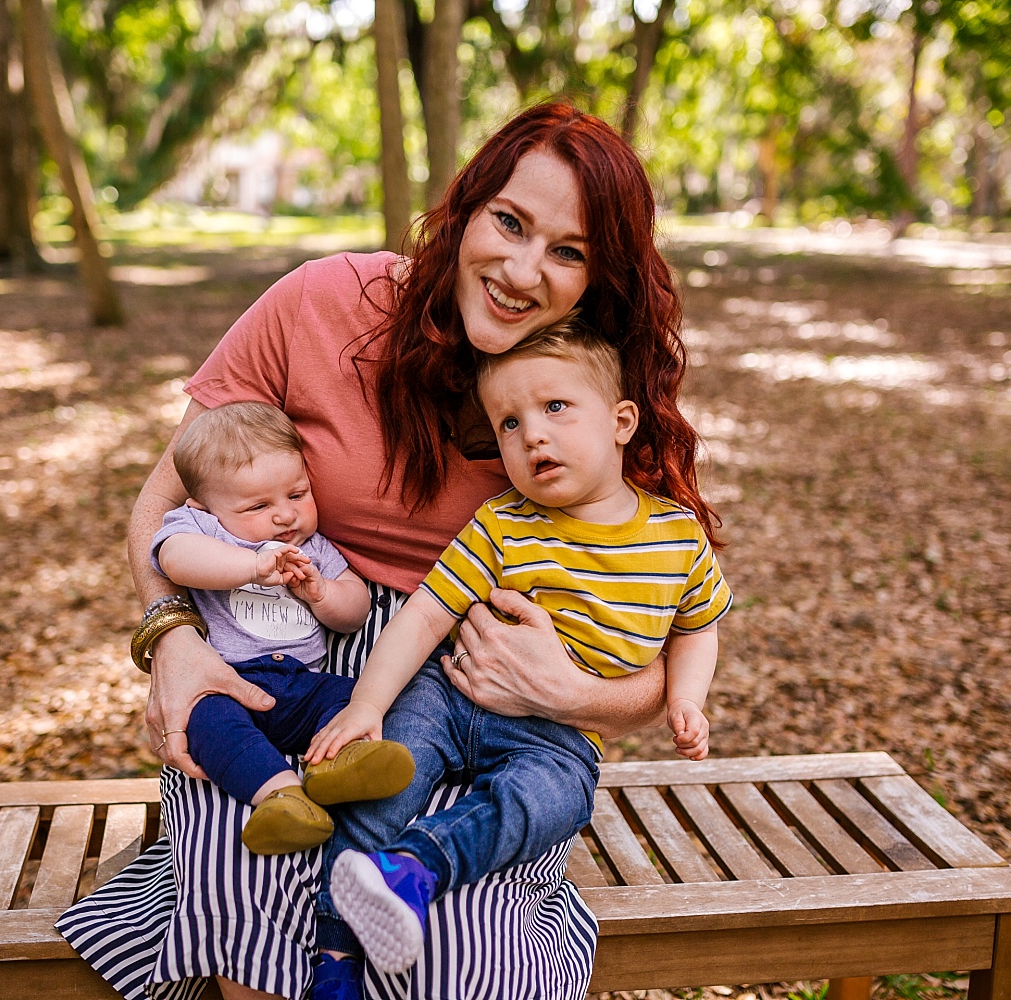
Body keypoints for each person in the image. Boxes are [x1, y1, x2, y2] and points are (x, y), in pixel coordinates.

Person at [55, 102, 725, 1000]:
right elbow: (162, 501)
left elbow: (668, 626)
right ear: (464, 210)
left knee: (446, 934)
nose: (522, 271)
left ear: (597, 282)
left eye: (567, 252)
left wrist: (582, 695)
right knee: (255, 874)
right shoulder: (321, 304)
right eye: (510, 223)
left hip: (473, 686)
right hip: (277, 642)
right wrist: (171, 640)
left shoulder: (594, 395)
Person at [304, 318, 730, 989]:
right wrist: (368, 704)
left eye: (556, 407)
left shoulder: (675, 537)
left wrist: (685, 699)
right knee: (386, 776)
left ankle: (415, 868)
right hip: (450, 694)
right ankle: (335, 955)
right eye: (508, 422)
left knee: (553, 801)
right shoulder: (503, 522)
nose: (532, 433)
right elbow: (425, 614)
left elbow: (697, 627)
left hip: (555, 737)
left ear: (621, 422)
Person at [151, 402, 415, 856]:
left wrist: (321, 593)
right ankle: (281, 796)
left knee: (350, 697)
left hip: (301, 682)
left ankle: (338, 765)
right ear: (204, 507)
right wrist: (251, 565)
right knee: (207, 723)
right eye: (259, 505)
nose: (285, 516)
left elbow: (356, 610)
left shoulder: (314, 548)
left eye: (297, 495)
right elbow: (176, 559)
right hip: (228, 682)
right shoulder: (201, 529)